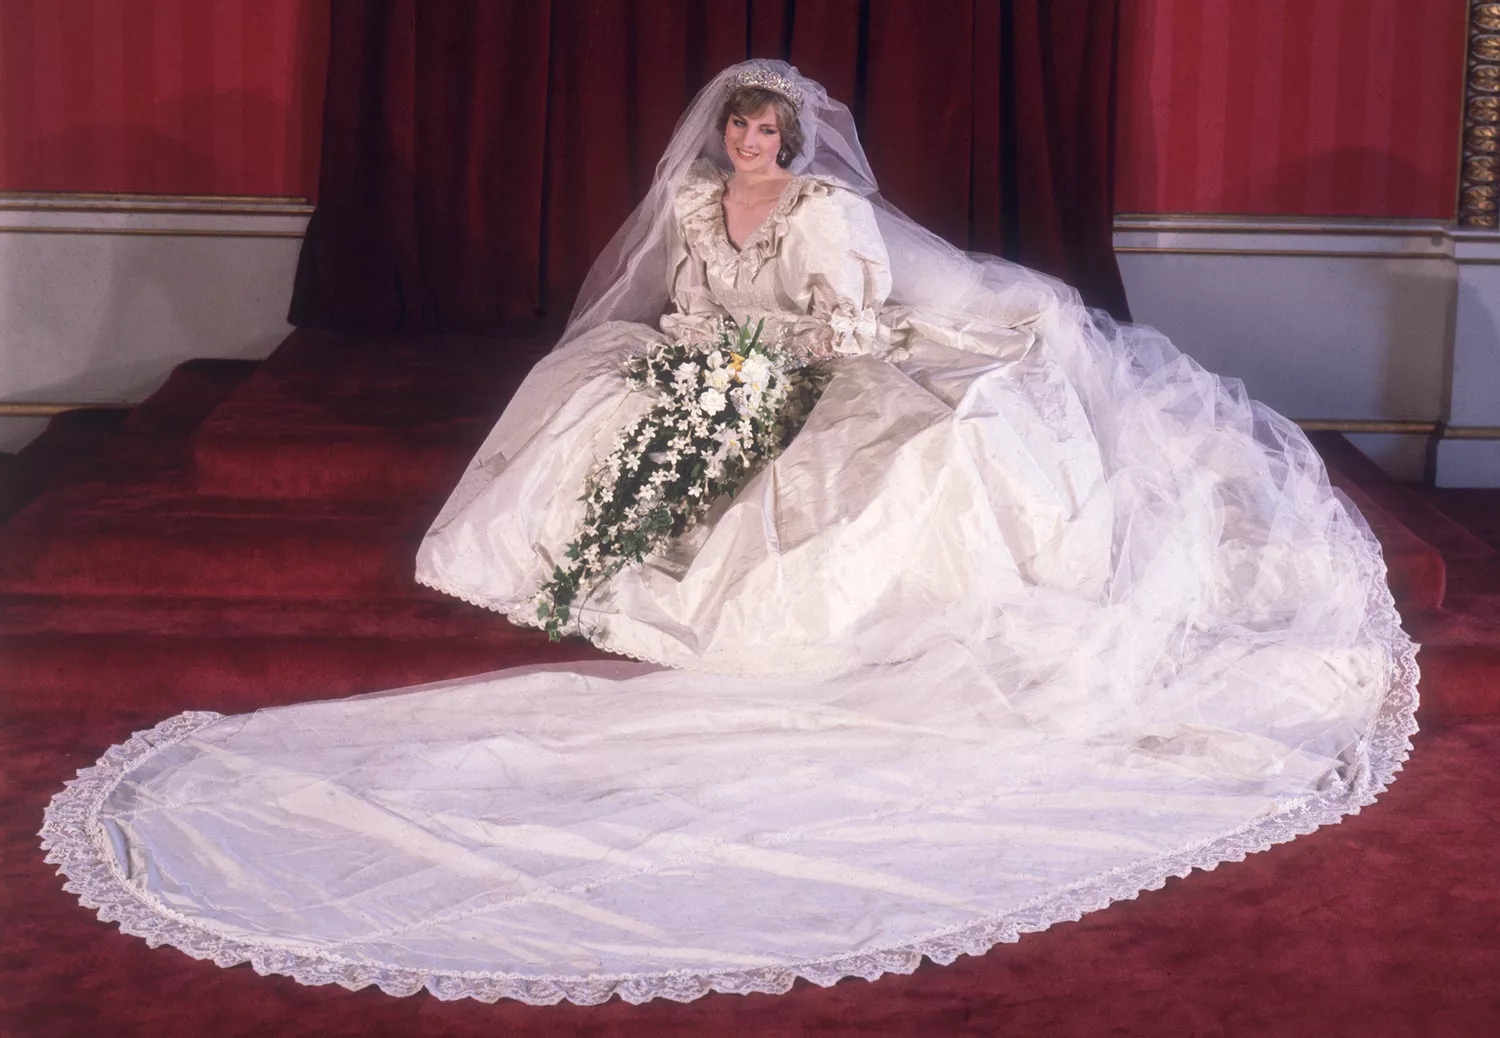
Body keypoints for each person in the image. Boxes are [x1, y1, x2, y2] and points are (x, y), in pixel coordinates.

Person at [41, 61, 1417, 1007]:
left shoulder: (828, 213)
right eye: (738, 134)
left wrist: (777, 361)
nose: (751, 149)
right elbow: (692, 297)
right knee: (597, 395)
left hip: (825, 355)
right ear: (722, 143)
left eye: (767, 134)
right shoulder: (702, 210)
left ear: (792, 142)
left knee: (874, 452)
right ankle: (591, 565)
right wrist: (702, 357)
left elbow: (851, 318)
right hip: (731, 363)